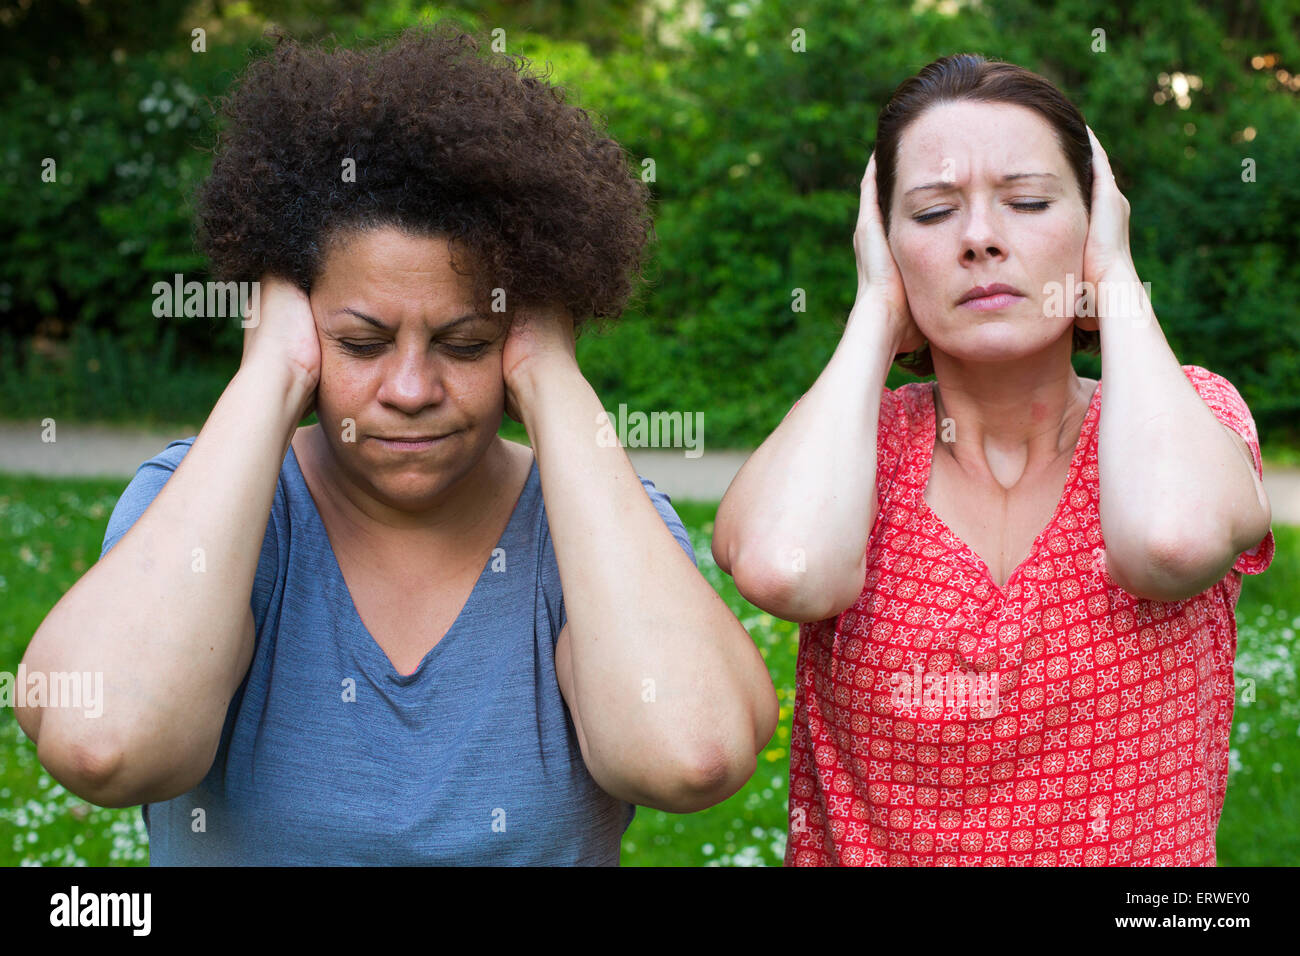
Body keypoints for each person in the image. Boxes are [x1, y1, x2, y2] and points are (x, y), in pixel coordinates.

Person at [17, 24, 778, 865]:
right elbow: (104, 743)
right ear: (297, 326)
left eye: (464, 344)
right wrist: (267, 378)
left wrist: (555, 380)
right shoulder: (207, 505)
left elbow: (689, 755)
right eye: (362, 343)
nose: (411, 391)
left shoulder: (599, 528)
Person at [713, 53, 1274, 866]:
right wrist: (875, 308)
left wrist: (1114, 275)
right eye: (934, 214)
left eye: (1030, 201)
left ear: (1094, 223)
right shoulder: (853, 447)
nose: (980, 238)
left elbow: (1170, 541)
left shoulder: (1197, 412)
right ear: (885, 245)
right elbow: (786, 571)